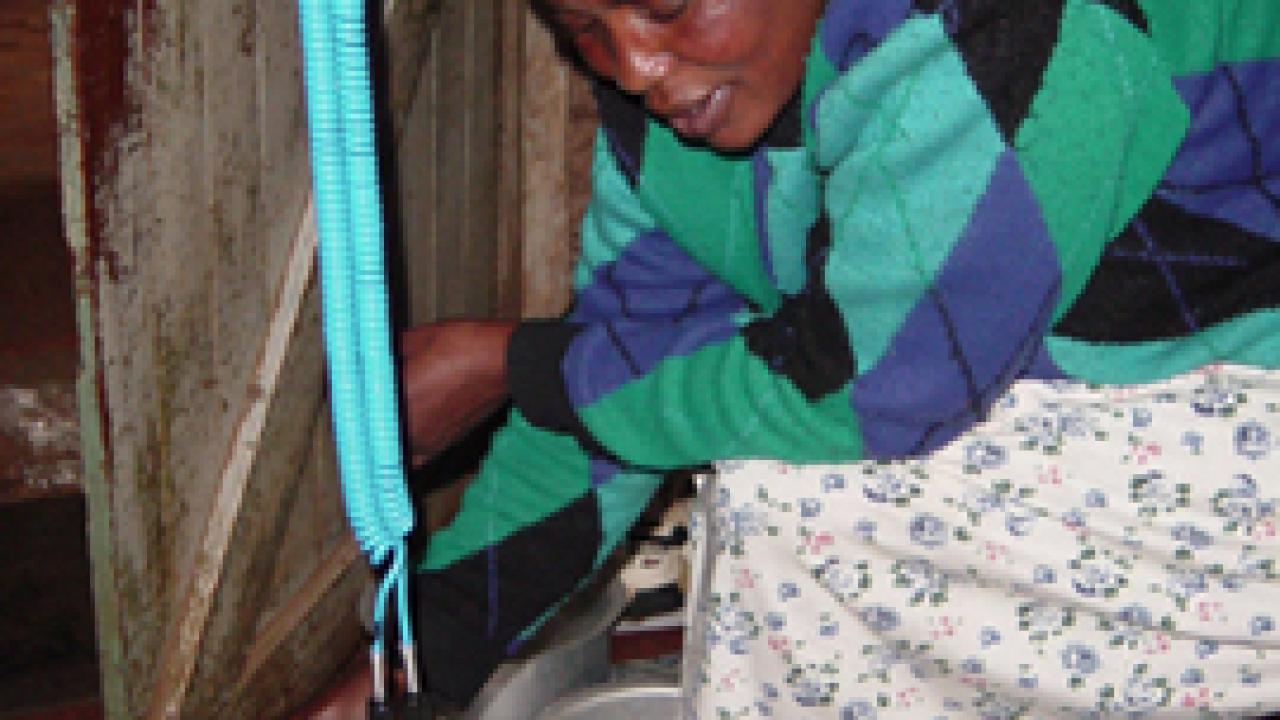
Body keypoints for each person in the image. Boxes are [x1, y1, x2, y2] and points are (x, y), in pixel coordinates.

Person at [401, 0, 1280, 715]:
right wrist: (417, 662)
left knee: (787, 489)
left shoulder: (1007, 26)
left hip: (1242, 427)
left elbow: (868, 392)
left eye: (667, 8)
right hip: (1069, 407)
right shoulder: (669, 128)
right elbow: (615, 390)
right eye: (584, 32)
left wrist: (509, 363)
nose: (633, 67)